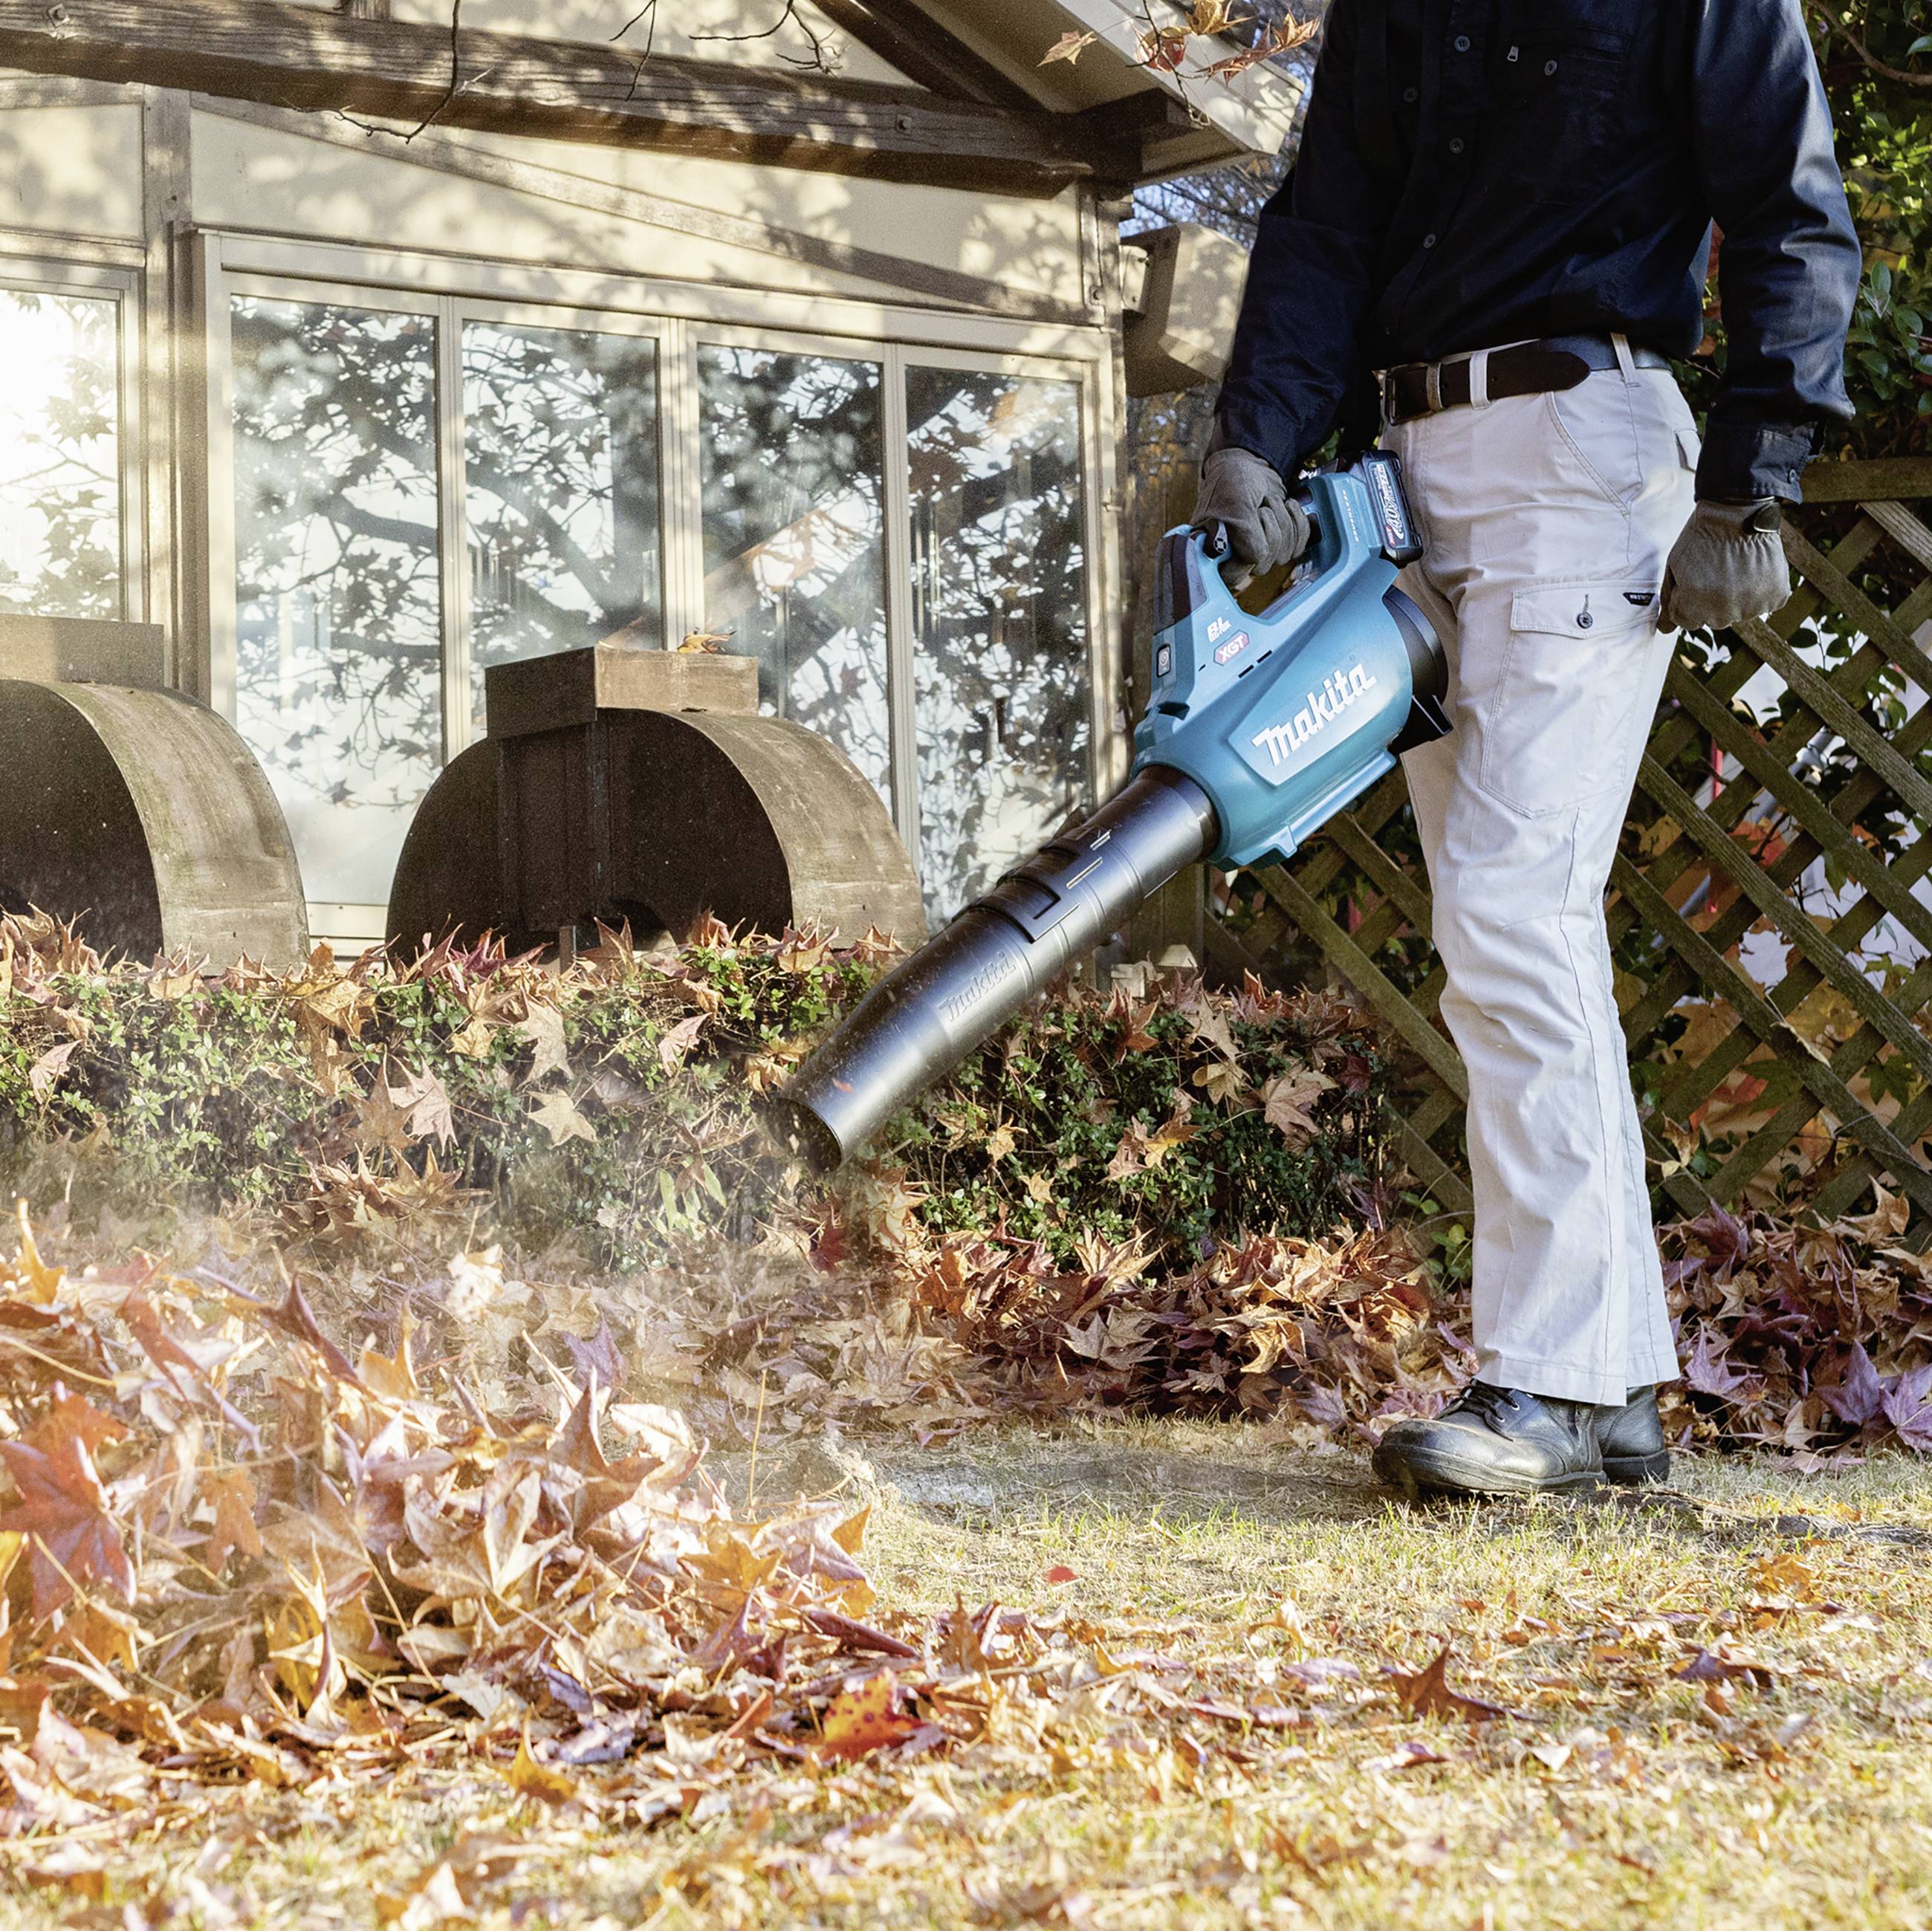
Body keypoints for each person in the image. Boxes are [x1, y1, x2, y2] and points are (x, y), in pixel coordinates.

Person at [1195, 0, 1860, 1497]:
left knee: (1507, 906)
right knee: (1507, 920)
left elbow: (1789, 209)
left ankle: (1546, 1389)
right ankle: (1615, 1390)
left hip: (1584, 446)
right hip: (1406, 476)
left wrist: (1749, 486)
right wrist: (1257, 438)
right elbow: (1326, 219)